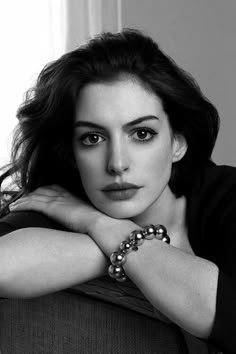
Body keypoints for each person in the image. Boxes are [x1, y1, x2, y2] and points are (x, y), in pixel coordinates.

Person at [0, 28, 235, 353]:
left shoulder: (228, 196)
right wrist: (140, 251)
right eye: (92, 138)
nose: (117, 163)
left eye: (141, 133)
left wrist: (102, 227)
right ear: (71, 152)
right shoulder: (55, 201)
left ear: (177, 142)